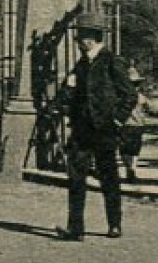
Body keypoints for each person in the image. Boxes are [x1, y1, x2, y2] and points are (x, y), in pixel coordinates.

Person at [56, 17, 137, 241]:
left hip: (105, 129)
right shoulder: (81, 64)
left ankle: (114, 224)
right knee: (75, 177)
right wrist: (66, 95)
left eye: (80, 38)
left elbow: (129, 95)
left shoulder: (111, 61)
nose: (77, 42)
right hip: (82, 129)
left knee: (109, 177)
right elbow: (70, 94)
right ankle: (76, 228)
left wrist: (117, 121)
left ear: (90, 40)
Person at [119, 67, 151, 183]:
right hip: (138, 125)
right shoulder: (141, 97)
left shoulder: (120, 97)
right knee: (135, 149)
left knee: (124, 149)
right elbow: (151, 108)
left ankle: (129, 167)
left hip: (125, 125)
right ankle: (132, 167)